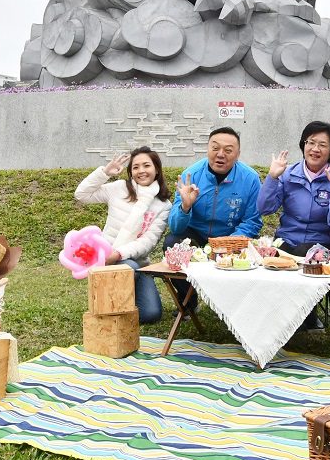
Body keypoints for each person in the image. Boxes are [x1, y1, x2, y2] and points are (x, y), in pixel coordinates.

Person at [257, 120, 330, 329]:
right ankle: (283, 315)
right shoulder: (288, 174)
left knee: (305, 251)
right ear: (303, 145)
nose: (315, 149)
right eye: (310, 142)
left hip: (324, 246)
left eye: (322, 145)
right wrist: (273, 177)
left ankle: (302, 316)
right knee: (275, 255)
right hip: (287, 241)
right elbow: (265, 208)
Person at [73, 146, 172, 323]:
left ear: (156, 169)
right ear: (130, 172)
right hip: (107, 257)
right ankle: (108, 304)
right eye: (135, 167)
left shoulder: (163, 205)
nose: (141, 171)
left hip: (137, 263)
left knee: (151, 314)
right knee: (128, 267)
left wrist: (118, 254)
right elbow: (81, 195)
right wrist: (105, 173)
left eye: (146, 166)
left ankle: (120, 303)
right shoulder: (119, 189)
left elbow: (148, 241)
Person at [165, 127, 263, 247]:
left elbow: (251, 221)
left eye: (228, 150)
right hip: (195, 235)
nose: (220, 154)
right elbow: (175, 228)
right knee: (172, 242)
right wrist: (185, 207)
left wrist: (228, 244)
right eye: (215, 148)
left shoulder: (251, 179)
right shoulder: (191, 176)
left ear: (238, 155)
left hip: (231, 236)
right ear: (208, 150)